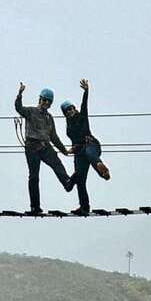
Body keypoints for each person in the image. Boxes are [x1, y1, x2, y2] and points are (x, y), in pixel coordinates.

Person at [15, 83, 73, 215]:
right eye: (45, 100)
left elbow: (54, 137)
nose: (47, 103)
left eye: (49, 101)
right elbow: (18, 108)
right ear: (40, 99)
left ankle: (67, 183)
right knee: (34, 176)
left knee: (57, 164)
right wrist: (20, 94)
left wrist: (64, 151)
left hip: (45, 146)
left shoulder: (49, 118)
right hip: (32, 146)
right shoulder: (31, 111)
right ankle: (35, 207)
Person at [60, 79, 110, 216]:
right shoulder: (69, 128)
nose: (71, 111)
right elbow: (74, 142)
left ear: (75, 109)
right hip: (80, 152)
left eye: (72, 108)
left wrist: (86, 92)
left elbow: (84, 106)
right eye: (67, 111)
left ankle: (102, 169)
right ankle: (84, 206)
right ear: (65, 114)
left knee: (90, 154)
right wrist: (72, 149)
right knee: (80, 180)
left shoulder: (81, 117)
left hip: (91, 145)